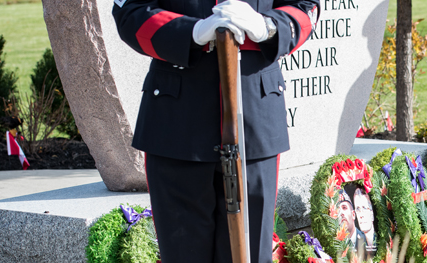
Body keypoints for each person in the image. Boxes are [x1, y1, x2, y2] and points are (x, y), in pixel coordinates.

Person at [111, 0, 319, 261]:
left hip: (254, 120)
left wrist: (267, 27)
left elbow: (305, 8)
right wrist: (192, 31)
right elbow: (129, 11)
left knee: (249, 254)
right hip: (177, 125)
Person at [352, 188, 376, 256]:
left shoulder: (382, 241)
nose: (361, 215)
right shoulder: (355, 246)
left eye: (364, 208)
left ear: (372, 214)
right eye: (358, 209)